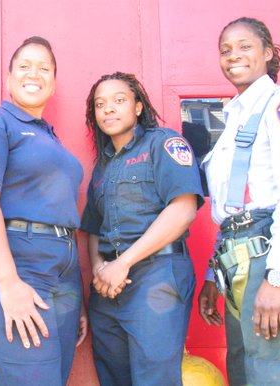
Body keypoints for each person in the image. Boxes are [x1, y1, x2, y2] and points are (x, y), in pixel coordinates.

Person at [198, 17, 280, 386]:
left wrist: (277, 277)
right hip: (240, 261)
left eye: (244, 46)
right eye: (225, 49)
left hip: (276, 258)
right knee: (250, 375)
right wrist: (215, 274)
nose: (232, 56)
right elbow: (234, 211)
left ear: (268, 53)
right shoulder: (233, 118)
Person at [0, 36, 87, 386]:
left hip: (62, 270)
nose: (35, 74)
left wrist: (77, 296)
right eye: (25, 66)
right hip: (15, 265)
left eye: (44, 68)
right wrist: (9, 282)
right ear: (10, 78)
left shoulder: (49, 137)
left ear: (54, 83)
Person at [80, 71, 204, 385]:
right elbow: (93, 227)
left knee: (155, 379)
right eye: (100, 104)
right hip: (109, 287)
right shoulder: (102, 167)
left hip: (156, 276)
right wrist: (99, 269)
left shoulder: (163, 143)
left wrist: (123, 263)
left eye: (119, 100)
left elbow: (184, 209)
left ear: (137, 107)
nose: (108, 109)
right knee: (114, 377)